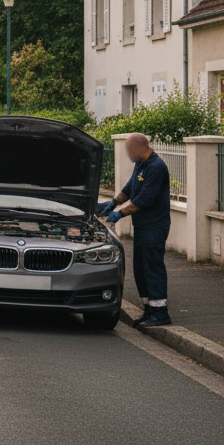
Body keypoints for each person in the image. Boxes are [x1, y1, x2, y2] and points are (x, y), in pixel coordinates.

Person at [98, 133, 172, 328]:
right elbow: (130, 188)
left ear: (141, 147)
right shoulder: (141, 164)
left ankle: (160, 312)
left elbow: (144, 200)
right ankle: (149, 310)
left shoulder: (156, 167)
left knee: (152, 267)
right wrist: (114, 201)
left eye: (130, 150)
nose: (128, 154)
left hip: (155, 226)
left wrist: (119, 213)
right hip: (142, 226)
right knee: (140, 269)